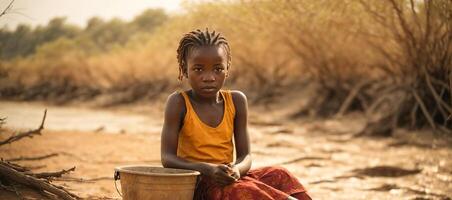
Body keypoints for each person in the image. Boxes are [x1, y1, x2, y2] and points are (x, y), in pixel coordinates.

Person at [161, 28, 312, 200]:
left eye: (217, 69)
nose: (209, 77)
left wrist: (236, 170)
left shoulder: (236, 101)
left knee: (280, 174)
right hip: (198, 184)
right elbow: (168, 158)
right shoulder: (179, 103)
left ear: (228, 68)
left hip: (229, 177)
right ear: (184, 69)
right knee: (242, 191)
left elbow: (245, 156)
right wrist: (208, 169)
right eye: (198, 69)